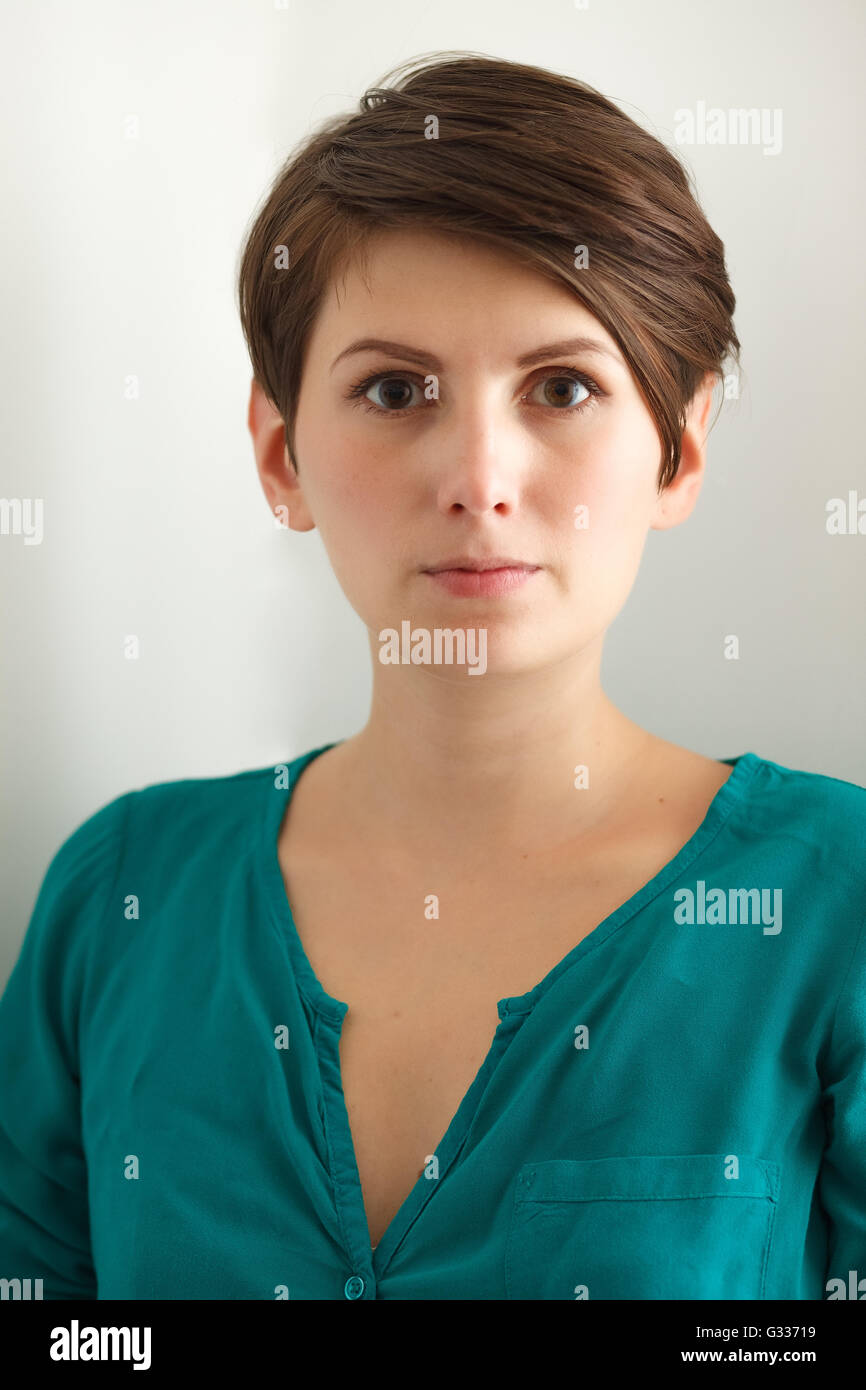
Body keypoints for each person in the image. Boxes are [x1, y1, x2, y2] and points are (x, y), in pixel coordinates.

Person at [1, 52, 864, 1302]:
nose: (478, 475)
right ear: (280, 451)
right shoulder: (118, 895)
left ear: (675, 452)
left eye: (561, 387)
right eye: (394, 390)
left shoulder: (831, 903)